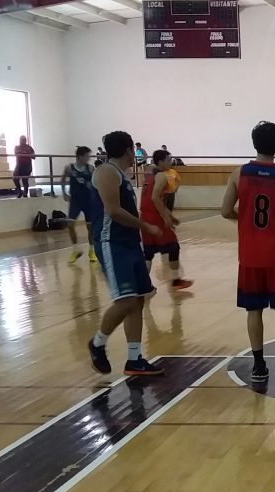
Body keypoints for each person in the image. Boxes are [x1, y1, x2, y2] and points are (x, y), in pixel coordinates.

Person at [221, 121, 275, 390]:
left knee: (253, 309)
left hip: (250, 254)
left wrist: (244, 217)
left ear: (254, 142)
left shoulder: (239, 173)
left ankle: (258, 365)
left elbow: (225, 211)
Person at [87, 130, 164, 377]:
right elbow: (113, 211)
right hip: (112, 243)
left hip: (130, 243)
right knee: (126, 300)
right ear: (129, 149)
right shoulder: (107, 172)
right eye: (134, 151)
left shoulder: (121, 174)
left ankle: (134, 359)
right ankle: (97, 343)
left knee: (138, 299)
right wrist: (146, 226)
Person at [140, 149, 194, 291]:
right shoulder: (162, 176)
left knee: (148, 253)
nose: (171, 163)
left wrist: (171, 216)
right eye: (168, 160)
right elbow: (155, 198)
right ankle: (176, 281)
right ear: (160, 161)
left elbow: (153, 200)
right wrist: (165, 217)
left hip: (145, 217)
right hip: (156, 218)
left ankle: (142, 285)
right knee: (174, 248)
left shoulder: (148, 176)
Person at [59, 146, 98, 264]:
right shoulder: (69, 168)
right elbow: (62, 179)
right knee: (70, 225)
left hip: (88, 201)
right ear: (80, 156)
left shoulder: (91, 169)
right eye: (87, 156)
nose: (89, 158)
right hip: (75, 201)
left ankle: (91, 251)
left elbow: (96, 183)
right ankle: (75, 250)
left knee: (90, 228)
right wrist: (64, 192)